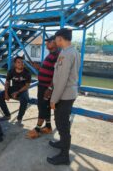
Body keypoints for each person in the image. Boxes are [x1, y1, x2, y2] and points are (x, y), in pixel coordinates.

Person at [47, 28, 80, 165]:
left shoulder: (66, 54)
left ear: (60, 38)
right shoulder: (73, 51)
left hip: (64, 95)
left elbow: (61, 79)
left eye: (55, 38)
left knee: (63, 124)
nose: (54, 41)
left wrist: (54, 99)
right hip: (68, 93)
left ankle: (64, 156)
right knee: (61, 122)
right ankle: (62, 143)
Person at [26, 36, 60, 139]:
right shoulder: (51, 55)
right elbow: (48, 70)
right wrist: (39, 67)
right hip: (42, 85)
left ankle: (37, 129)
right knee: (46, 106)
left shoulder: (57, 56)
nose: (46, 44)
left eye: (49, 42)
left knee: (42, 106)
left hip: (46, 87)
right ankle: (48, 126)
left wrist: (50, 89)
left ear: (55, 43)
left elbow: (57, 74)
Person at [0, 56, 31, 125]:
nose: (21, 64)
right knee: (0, 95)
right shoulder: (11, 71)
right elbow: (7, 82)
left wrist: (18, 92)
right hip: (14, 88)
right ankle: (7, 115)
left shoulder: (27, 72)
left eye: (22, 62)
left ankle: (19, 118)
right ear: (15, 64)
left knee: (24, 99)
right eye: (18, 62)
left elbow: (27, 86)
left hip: (23, 90)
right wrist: (6, 93)